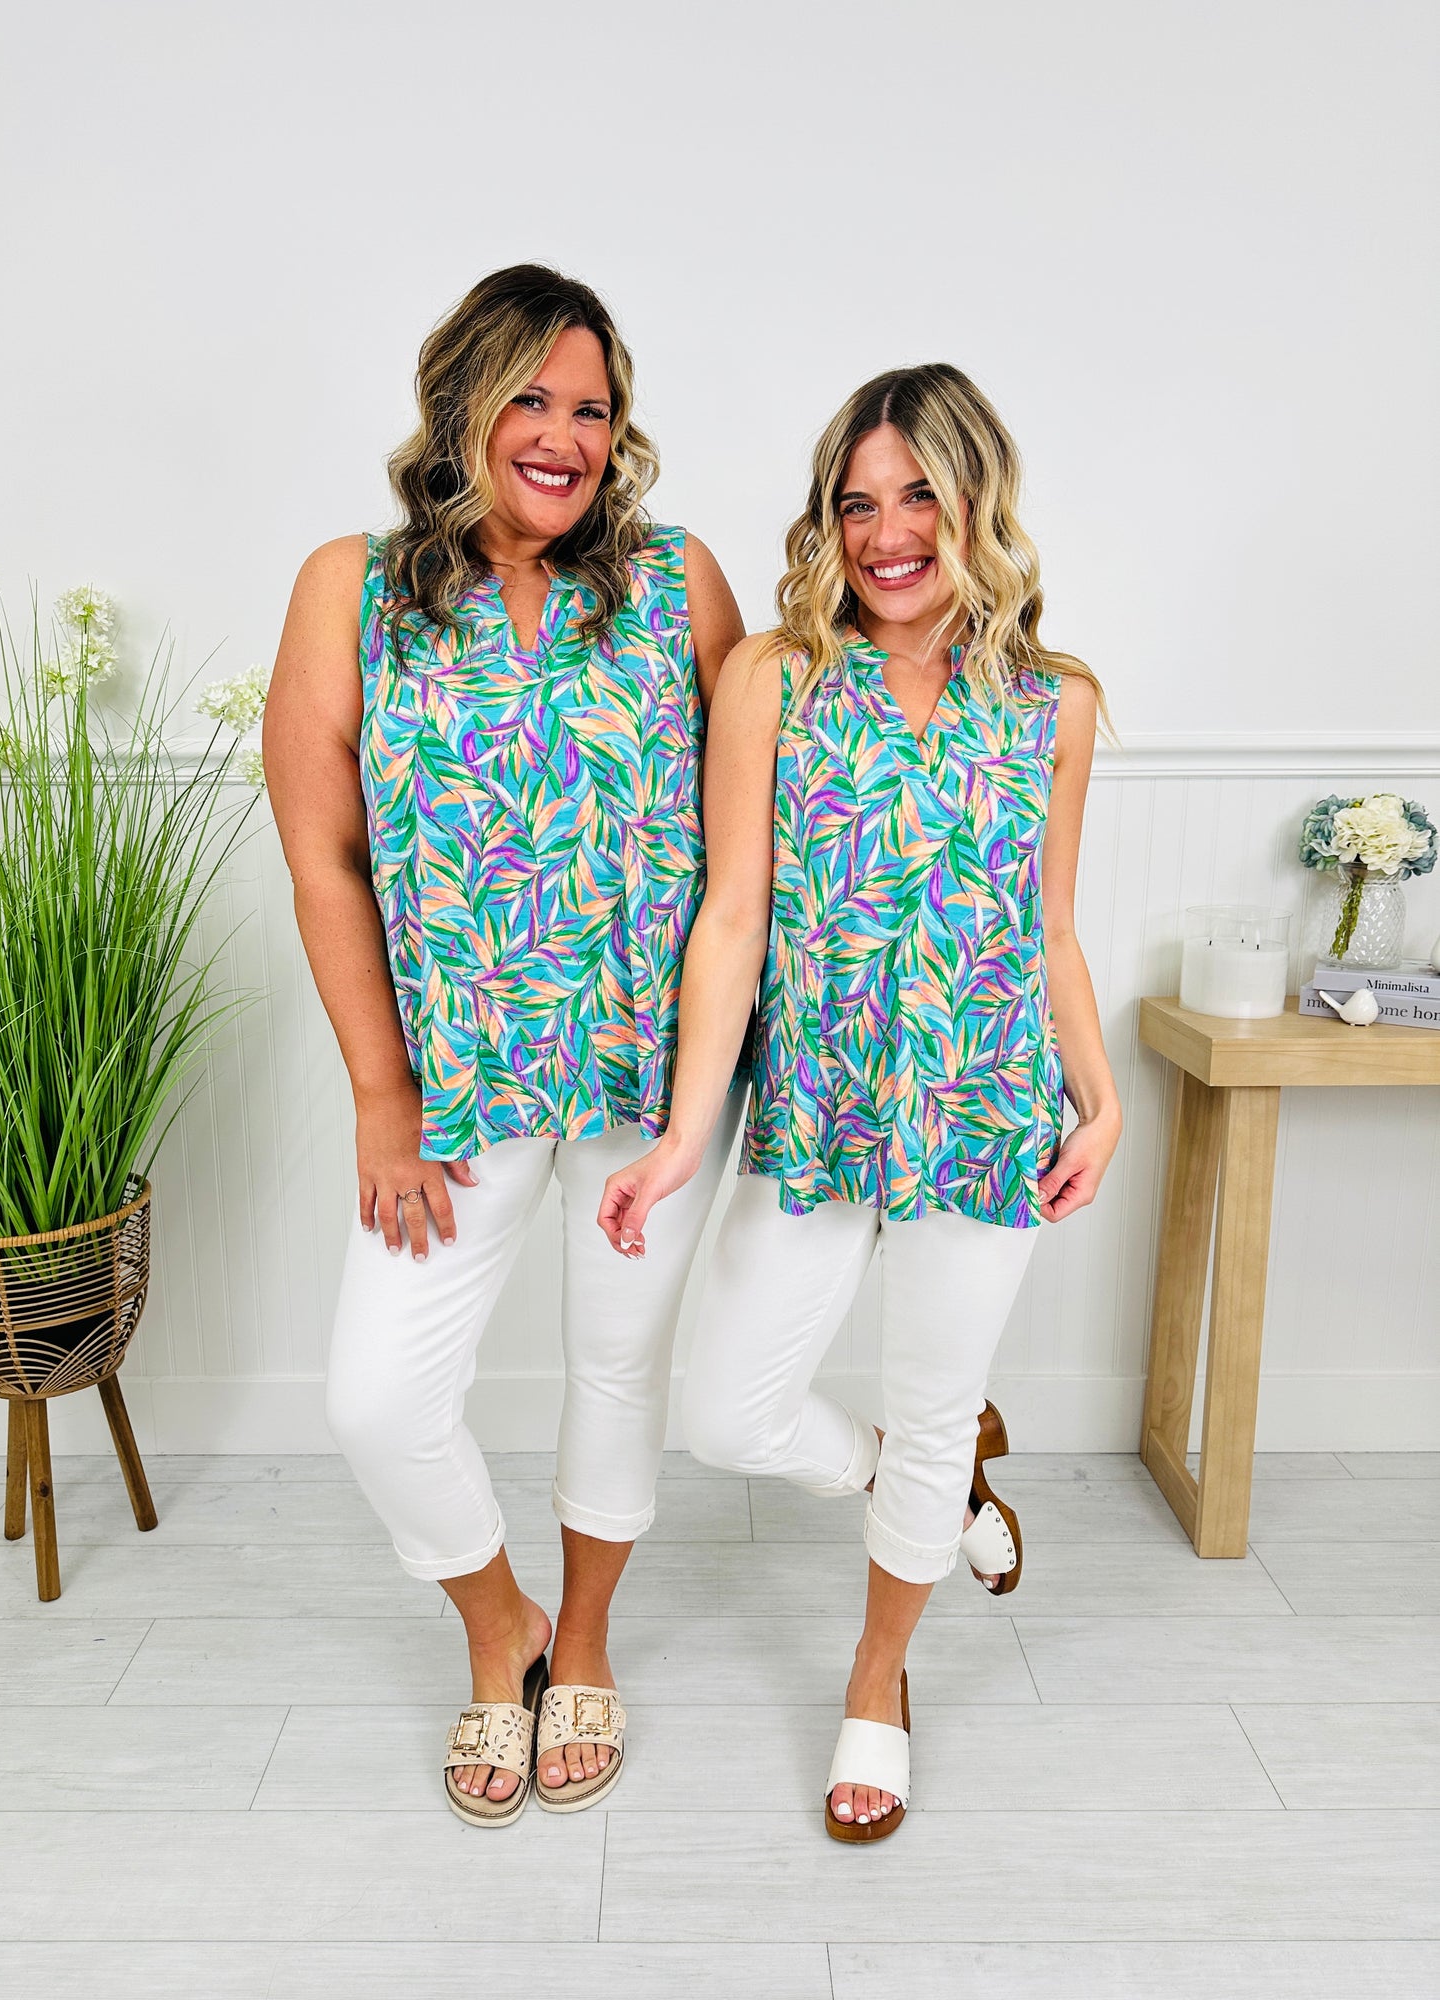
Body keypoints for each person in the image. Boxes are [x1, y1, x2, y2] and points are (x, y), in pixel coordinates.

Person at [598, 362, 1119, 1842]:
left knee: (939, 1395)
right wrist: (686, 1134)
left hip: (988, 1111)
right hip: (818, 1112)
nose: (888, 535)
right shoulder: (774, 678)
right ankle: (924, 1487)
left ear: (978, 505)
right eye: (857, 503)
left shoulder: (1056, 704)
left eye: (920, 498)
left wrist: (1101, 1103)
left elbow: (1049, 928)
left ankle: (878, 1677)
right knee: (727, 1413)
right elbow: (731, 919)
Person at [264, 264, 745, 1827]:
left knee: (618, 1363)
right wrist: (378, 1095)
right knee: (377, 1398)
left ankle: (584, 1639)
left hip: (648, 1081)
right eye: (529, 398)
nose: (563, 436)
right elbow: (325, 856)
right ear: (459, 402)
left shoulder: (676, 583)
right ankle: (500, 1626)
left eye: (592, 408)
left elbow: (755, 844)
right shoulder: (349, 589)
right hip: (454, 1087)